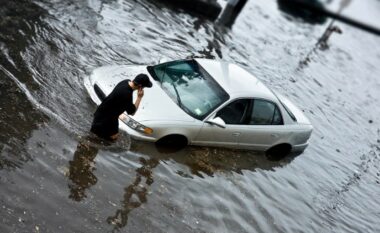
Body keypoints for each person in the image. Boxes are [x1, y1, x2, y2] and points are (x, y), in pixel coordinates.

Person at [90, 73, 152, 141]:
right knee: (103, 138)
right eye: (144, 87)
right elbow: (132, 112)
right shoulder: (127, 95)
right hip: (105, 119)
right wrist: (139, 97)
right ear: (140, 86)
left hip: (104, 112)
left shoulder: (125, 81)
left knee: (112, 137)